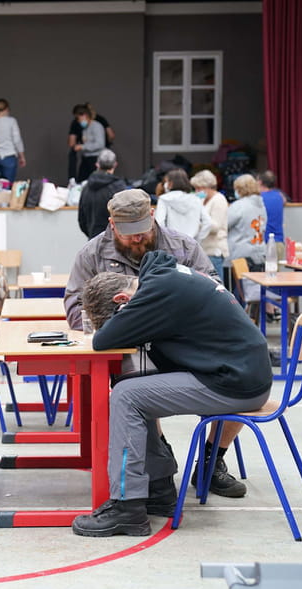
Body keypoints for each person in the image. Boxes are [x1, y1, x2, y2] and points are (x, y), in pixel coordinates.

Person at [71, 251, 272, 537]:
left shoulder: (155, 292)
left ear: (122, 301)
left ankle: (127, 507)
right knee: (137, 381)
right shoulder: (165, 277)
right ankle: (159, 486)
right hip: (242, 373)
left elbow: (104, 340)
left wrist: (118, 324)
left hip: (236, 383)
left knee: (127, 396)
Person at [64, 188, 219, 330]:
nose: (137, 239)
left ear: (152, 215)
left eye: (142, 231)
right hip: (118, 351)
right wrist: (128, 329)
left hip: (176, 346)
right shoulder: (91, 254)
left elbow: (215, 292)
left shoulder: (185, 247)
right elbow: (76, 311)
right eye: (128, 234)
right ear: (112, 224)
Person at [78, 149, 126, 239]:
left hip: (93, 240)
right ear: (115, 164)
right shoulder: (119, 188)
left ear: (97, 164)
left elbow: (82, 220)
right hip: (116, 242)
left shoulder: (86, 188)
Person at [154, 168, 212, 241]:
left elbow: (159, 223)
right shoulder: (196, 199)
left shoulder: (164, 199)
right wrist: (197, 240)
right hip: (191, 243)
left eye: (167, 181)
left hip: (172, 243)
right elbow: (208, 222)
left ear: (171, 183)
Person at [191, 169, 228, 279]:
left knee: (216, 286)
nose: (197, 191)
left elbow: (215, 227)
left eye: (199, 188)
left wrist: (197, 221)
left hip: (214, 251)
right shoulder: (202, 200)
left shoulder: (219, 200)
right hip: (203, 250)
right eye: (195, 188)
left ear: (208, 186)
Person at [227, 174, 267, 269]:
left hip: (241, 256)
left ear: (240, 189)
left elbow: (224, 224)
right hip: (260, 252)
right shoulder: (261, 205)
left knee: (240, 284)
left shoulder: (238, 206)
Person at [68, 103, 114, 181]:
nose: (78, 122)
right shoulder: (85, 129)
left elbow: (100, 144)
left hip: (96, 158)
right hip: (86, 157)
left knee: (96, 180)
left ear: (84, 116)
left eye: (79, 119)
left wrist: (82, 147)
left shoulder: (97, 126)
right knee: (82, 180)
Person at [258, 170, 286, 260]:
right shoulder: (279, 196)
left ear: (260, 182)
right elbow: (284, 200)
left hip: (265, 243)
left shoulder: (259, 199)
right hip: (279, 242)